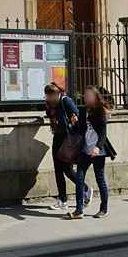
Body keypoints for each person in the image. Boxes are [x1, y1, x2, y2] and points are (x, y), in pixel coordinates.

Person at [68, 87, 115, 219]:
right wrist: (74, 124)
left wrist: (98, 147)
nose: (86, 98)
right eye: (85, 95)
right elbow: (81, 130)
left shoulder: (99, 112)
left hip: (97, 152)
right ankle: (79, 210)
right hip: (85, 150)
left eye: (89, 95)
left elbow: (103, 133)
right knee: (79, 178)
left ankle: (104, 209)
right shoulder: (83, 111)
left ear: (95, 97)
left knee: (100, 180)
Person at [44, 83, 92, 211]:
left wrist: (73, 122)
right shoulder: (52, 105)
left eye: (50, 95)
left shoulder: (66, 101)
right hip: (58, 136)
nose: (48, 98)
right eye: (47, 95)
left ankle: (86, 189)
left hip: (68, 139)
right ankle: (62, 200)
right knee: (58, 169)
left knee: (67, 169)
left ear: (56, 94)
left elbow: (77, 116)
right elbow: (50, 113)